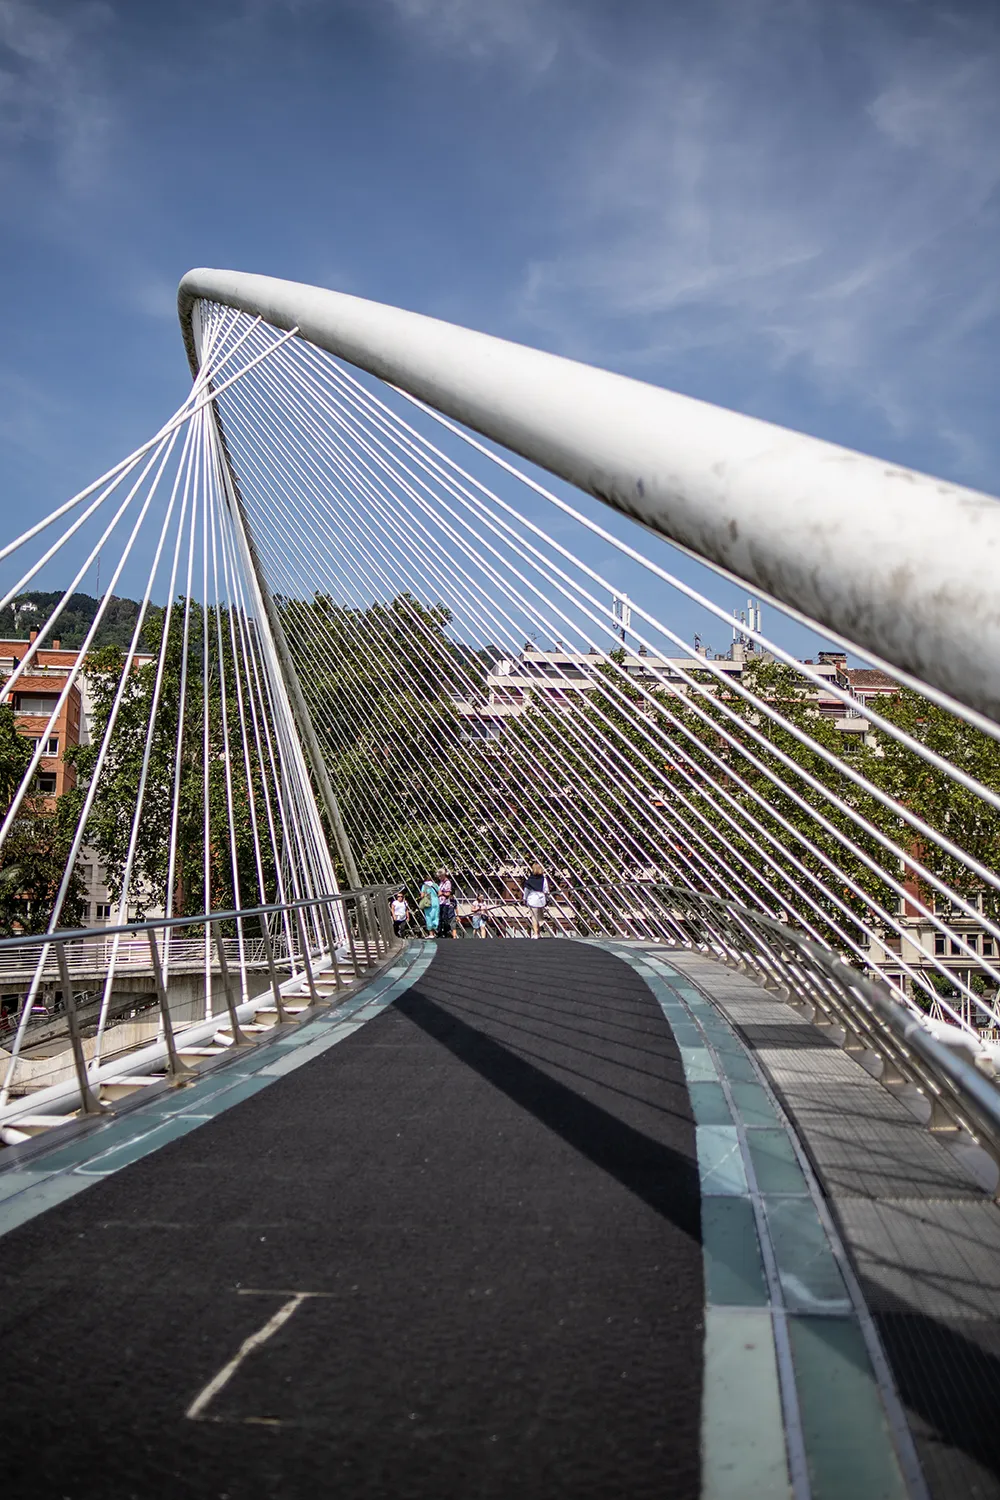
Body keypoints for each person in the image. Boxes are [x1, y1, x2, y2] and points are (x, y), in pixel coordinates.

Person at [523, 862, 549, 939]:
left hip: (532, 899)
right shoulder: (543, 879)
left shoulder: (529, 880)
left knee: (534, 917)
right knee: (540, 916)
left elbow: (526, 891)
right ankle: (539, 931)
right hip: (541, 899)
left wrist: (524, 899)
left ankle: (536, 933)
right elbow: (546, 890)